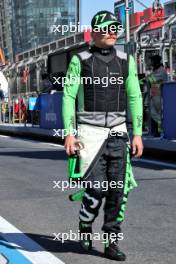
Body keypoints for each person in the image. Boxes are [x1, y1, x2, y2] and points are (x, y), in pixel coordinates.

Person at [62, 10, 143, 261]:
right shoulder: (80, 59)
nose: (111, 32)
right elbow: (69, 96)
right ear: (94, 31)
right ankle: (85, 224)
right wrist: (68, 134)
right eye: (106, 28)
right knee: (96, 190)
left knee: (118, 191)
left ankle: (111, 243)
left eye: (115, 27)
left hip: (119, 133)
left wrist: (138, 134)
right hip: (89, 135)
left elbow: (134, 96)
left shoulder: (125, 59)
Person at [147, 55, 168, 137]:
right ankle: (159, 131)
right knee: (152, 113)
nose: (150, 63)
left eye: (152, 61)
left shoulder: (161, 71)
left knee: (159, 115)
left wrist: (146, 78)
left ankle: (161, 131)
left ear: (155, 61)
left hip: (160, 95)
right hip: (154, 95)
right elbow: (148, 78)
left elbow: (150, 79)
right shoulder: (155, 70)